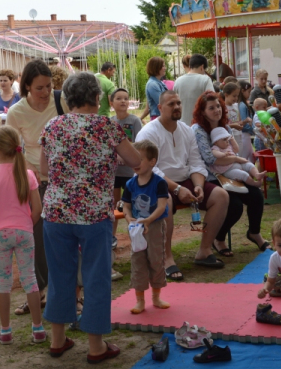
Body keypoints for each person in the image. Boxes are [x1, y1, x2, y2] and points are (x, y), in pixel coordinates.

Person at [39, 71, 141, 363]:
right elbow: (135, 160)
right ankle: (96, 346)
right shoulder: (107, 126)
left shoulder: (53, 125)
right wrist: (109, 158)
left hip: (56, 212)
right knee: (96, 277)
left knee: (60, 275)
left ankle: (58, 340)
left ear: (67, 98)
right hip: (94, 213)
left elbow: (44, 169)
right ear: (97, 97)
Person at [135, 90, 229, 281]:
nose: (177, 107)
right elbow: (150, 170)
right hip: (155, 182)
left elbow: (196, 161)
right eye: (171, 104)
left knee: (221, 196)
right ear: (160, 108)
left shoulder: (186, 130)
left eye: (178, 103)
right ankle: (166, 258)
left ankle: (204, 251)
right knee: (166, 201)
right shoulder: (148, 132)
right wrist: (177, 189)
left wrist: (198, 185)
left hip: (184, 180)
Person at [6, 59, 69, 316]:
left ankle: (70, 294)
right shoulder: (16, 112)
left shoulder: (61, 101)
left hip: (65, 180)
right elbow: (12, 149)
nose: (45, 93)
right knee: (36, 239)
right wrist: (28, 172)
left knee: (66, 237)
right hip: (36, 181)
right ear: (27, 88)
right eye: (39, 88)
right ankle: (38, 292)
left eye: (48, 86)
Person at [0, 126, 47, 345]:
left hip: (1, 235)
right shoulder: (28, 175)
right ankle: (38, 328)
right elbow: (38, 209)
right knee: (30, 279)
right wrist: (27, 225)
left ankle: (6, 331)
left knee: (3, 282)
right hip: (25, 232)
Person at [192, 91, 269, 256]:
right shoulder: (198, 130)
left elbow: (234, 150)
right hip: (210, 177)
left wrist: (236, 158)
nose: (217, 110)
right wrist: (236, 159)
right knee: (235, 206)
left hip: (230, 170)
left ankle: (254, 233)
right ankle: (218, 239)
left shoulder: (225, 127)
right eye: (211, 108)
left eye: (218, 106)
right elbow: (211, 159)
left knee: (256, 196)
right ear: (202, 112)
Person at [121, 140, 170, 315]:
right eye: (132, 159)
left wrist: (149, 220)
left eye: (139, 159)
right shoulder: (130, 184)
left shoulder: (159, 183)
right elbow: (126, 206)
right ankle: (140, 300)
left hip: (154, 225)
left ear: (152, 161)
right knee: (138, 261)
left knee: (156, 260)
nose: (135, 163)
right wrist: (128, 218)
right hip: (137, 228)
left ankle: (156, 296)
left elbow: (162, 206)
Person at [110, 87, 142, 281]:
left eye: (126, 98)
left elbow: (138, 143)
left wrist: (127, 157)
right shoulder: (110, 122)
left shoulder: (135, 121)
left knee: (131, 205)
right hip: (115, 173)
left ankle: (137, 236)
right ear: (111, 102)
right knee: (114, 206)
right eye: (119, 98)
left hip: (130, 172)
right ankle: (112, 238)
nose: (123, 101)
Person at [174, 54, 214, 125]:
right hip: (201, 124)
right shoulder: (205, 79)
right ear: (202, 67)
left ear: (190, 66)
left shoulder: (178, 81)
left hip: (182, 124)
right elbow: (212, 99)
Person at [139, 57, 168, 122]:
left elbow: (148, 107)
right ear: (156, 68)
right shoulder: (152, 84)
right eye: (163, 66)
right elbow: (163, 102)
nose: (165, 68)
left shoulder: (159, 83)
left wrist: (139, 119)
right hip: (159, 119)